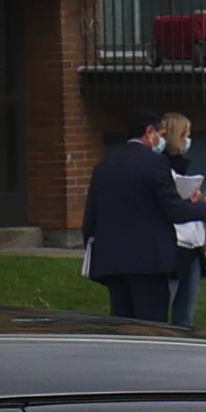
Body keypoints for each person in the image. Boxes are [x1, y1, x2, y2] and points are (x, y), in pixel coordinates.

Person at [82, 110, 185, 322]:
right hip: (148, 262)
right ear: (149, 132)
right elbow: (173, 209)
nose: (162, 140)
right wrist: (203, 206)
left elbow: (91, 216)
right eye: (161, 134)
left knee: (122, 320)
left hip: (113, 261)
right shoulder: (154, 163)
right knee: (151, 324)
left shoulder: (104, 165)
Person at [157, 112, 206, 327]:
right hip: (174, 246)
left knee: (186, 313)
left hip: (192, 247)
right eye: (185, 135)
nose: (187, 141)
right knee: (166, 308)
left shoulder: (181, 166)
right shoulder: (160, 167)